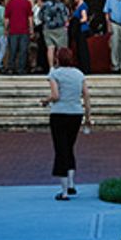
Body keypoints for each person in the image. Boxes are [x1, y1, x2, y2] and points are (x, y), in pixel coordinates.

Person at [41, 47, 92, 201]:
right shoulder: (79, 74)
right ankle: (71, 184)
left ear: (58, 58)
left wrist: (46, 100)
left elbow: (56, 95)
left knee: (60, 150)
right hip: (76, 113)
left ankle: (63, 192)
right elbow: (86, 95)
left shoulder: (54, 74)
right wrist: (88, 117)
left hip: (59, 114)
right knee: (69, 147)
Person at [5, 0, 33, 74]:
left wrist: (6, 29)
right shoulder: (27, 3)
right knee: (23, 51)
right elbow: (30, 18)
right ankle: (21, 69)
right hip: (24, 30)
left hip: (13, 30)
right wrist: (31, 29)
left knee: (12, 50)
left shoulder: (10, 3)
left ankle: (11, 68)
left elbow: (6, 18)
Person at [42, 0, 69, 68]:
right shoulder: (61, 6)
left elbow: (40, 16)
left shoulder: (46, 5)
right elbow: (65, 17)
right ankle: (60, 65)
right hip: (59, 29)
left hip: (47, 29)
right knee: (61, 49)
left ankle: (51, 67)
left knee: (50, 48)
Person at [104, 0, 121, 73]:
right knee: (115, 44)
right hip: (114, 23)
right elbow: (107, 12)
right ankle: (115, 65)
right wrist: (108, 25)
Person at [70, 0, 92, 74]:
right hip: (79, 30)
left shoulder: (83, 6)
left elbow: (84, 18)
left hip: (82, 30)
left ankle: (85, 68)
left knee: (82, 50)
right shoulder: (78, 6)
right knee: (79, 49)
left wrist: (76, 22)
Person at [31, 0, 48, 73]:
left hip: (43, 26)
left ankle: (43, 65)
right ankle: (37, 65)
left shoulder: (44, 5)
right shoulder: (34, 6)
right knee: (37, 47)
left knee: (43, 46)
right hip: (37, 26)